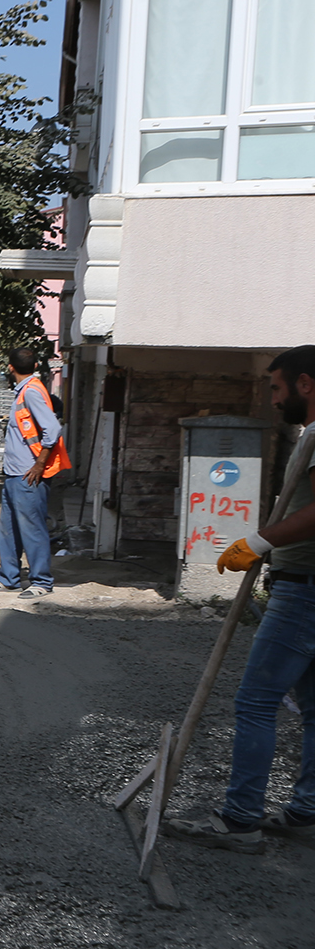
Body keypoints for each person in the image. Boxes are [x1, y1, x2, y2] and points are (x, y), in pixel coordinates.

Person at [170, 346, 315, 854]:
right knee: (314, 708)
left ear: (304, 384)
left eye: (276, 388)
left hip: (305, 590)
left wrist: (260, 541)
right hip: (304, 583)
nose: (272, 400)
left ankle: (240, 820)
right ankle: (306, 813)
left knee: (256, 700)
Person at [0, 347, 65, 598]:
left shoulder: (32, 392)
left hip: (29, 475)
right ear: (36, 365)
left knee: (32, 529)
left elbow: (52, 429)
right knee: (9, 529)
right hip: (14, 472)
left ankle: (41, 582)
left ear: (10, 367)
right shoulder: (26, 391)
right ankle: (9, 578)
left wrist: (39, 465)